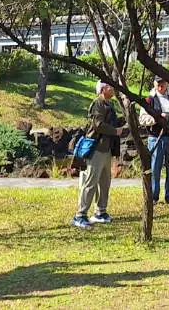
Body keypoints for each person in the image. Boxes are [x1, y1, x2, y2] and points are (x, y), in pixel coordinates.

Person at [72, 80, 120, 229]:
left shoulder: (109, 105)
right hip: (96, 149)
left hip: (107, 150)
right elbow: (98, 125)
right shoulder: (97, 104)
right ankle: (80, 215)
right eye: (109, 86)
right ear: (102, 89)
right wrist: (115, 131)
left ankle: (100, 212)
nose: (112, 89)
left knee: (105, 183)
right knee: (91, 183)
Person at [145, 77, 169, 204]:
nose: (161, 86)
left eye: (163, 83)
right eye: (158, 83)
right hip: (155, 138)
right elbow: (142, 120)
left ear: (167, 83)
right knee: (155, 168)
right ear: (154, 84)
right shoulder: (149, 99)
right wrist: (158, 118)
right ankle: (154, 196)